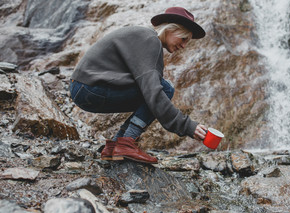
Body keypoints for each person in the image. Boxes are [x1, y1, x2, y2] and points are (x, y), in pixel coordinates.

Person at [69, 7, 207, 164]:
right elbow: (153, 92)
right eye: (183, 39)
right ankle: (126, 143)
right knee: (164, 89)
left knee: (157, 90)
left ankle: (115, 146)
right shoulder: (150, 40)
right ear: (170, 29)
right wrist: (188, 126)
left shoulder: (143, 38)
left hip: (82, 88)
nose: (183, 46)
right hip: (89, 88)